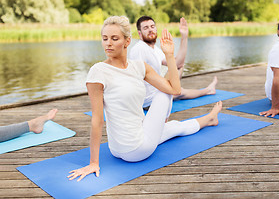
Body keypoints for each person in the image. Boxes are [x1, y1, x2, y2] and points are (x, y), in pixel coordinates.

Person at [68, 16, 222, 182]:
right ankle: (194, 120)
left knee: (174, 128)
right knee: (163, 93)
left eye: (114, 38)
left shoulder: (139, 67)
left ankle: (209, 119)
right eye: (104, 39)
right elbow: (97, 120)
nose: (108, 43)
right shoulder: (98, 71)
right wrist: (93, 163)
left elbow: (176, 89)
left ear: (127, 41)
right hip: (136, 148)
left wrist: (169, 55)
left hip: (121, 146)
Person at [129, 16, 218, 109]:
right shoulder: (139, 49)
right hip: (149, 101)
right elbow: (135, 78)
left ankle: (206, 90)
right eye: (146, 28)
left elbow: (178, 63)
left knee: (178, 68)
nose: (150, 30)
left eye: (152, 26)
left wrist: (184, 37)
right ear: (140, 33)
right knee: (180, 92)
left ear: (156, 28)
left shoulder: (154, 49)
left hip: (156, 92)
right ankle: (208, 90)